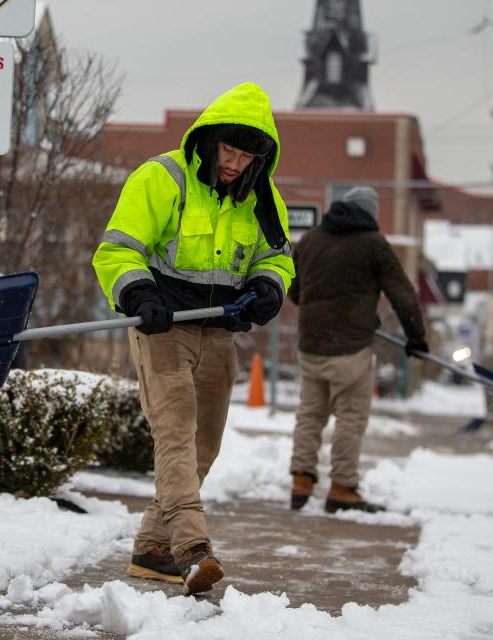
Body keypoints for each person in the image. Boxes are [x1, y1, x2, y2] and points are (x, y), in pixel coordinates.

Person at [91, 82, 294, 594]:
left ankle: (151, 548)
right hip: (162, 328)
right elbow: (116, 251)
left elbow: (277, 257)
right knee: (176, 433)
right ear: (209, 141)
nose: (236, 162)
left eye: (248, 154)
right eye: (229, 148)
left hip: (219, 333)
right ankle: (192, 550)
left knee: (205, 444)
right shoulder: (163, 179)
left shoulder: (262, 199)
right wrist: (139, 295)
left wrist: (268, 287)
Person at [287, 187, 427, 513]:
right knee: (350, 418)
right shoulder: (374, 245)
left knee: (310, 414)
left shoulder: (310, 241)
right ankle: (342, 486)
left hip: (311, 345)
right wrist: (415, 338)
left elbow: (296, 292)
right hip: (350, 349)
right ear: (370, 214)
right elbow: (403, 294)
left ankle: (301, 480)